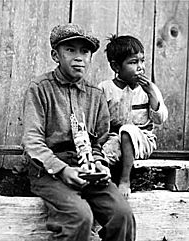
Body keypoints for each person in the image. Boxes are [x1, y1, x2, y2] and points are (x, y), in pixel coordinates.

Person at [21, 23, 136, 241]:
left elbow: (102, 140)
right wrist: (63, 170)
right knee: (79, 216)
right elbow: (32, 141)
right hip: (49, 171)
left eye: (85, 51)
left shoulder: (95, 95)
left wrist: (100, 163)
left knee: (123, 215)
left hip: (87, 168)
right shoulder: (39, 89)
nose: (79, 57)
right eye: (70, 50)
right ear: (55, 55)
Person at [98, 35, 168, 199]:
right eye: (133, 62)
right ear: (116, 66)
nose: (140, 67)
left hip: (142, 140)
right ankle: (102, 188)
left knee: (128, 130)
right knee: (104, 154)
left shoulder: (149, 89)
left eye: (142, 61)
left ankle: (125, 180)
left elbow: (160, 119)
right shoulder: (105, 88)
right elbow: (99, 119)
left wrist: (151, 93)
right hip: (114, 137)